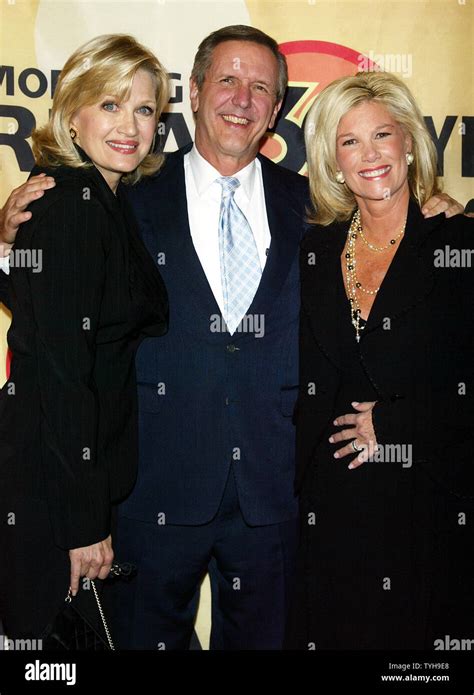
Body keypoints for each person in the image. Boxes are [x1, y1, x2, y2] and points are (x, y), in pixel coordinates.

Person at [0, 27, 463, 650]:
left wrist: (444, 212)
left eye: (260, 88)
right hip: (150, 494)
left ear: (276, 111)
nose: (241, 99)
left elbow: (398, 259)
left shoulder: (317, 209)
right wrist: (10, 244)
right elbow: (60, 320)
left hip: (276, 495)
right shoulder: (124, 192)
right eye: (226, 80)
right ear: (191, 92)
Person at [285, 71, 474, 650]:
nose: (370, 155)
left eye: (383, 135)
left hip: (429, 496)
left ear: (410, 144)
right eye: (350, 142)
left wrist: (393, 424)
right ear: (332, 161)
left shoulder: (457, 244)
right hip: (332, 502)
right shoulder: (314, 250)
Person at [0, 34, 169, 640]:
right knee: (50, 655)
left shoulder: (102, 196)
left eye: (144, 109)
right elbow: (63, 372)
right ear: (71, 115)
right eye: (109, 105)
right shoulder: (72, 202)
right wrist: (83, 522)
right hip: (51, 487)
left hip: (56, 474)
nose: (129, 125)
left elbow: (41, 311)